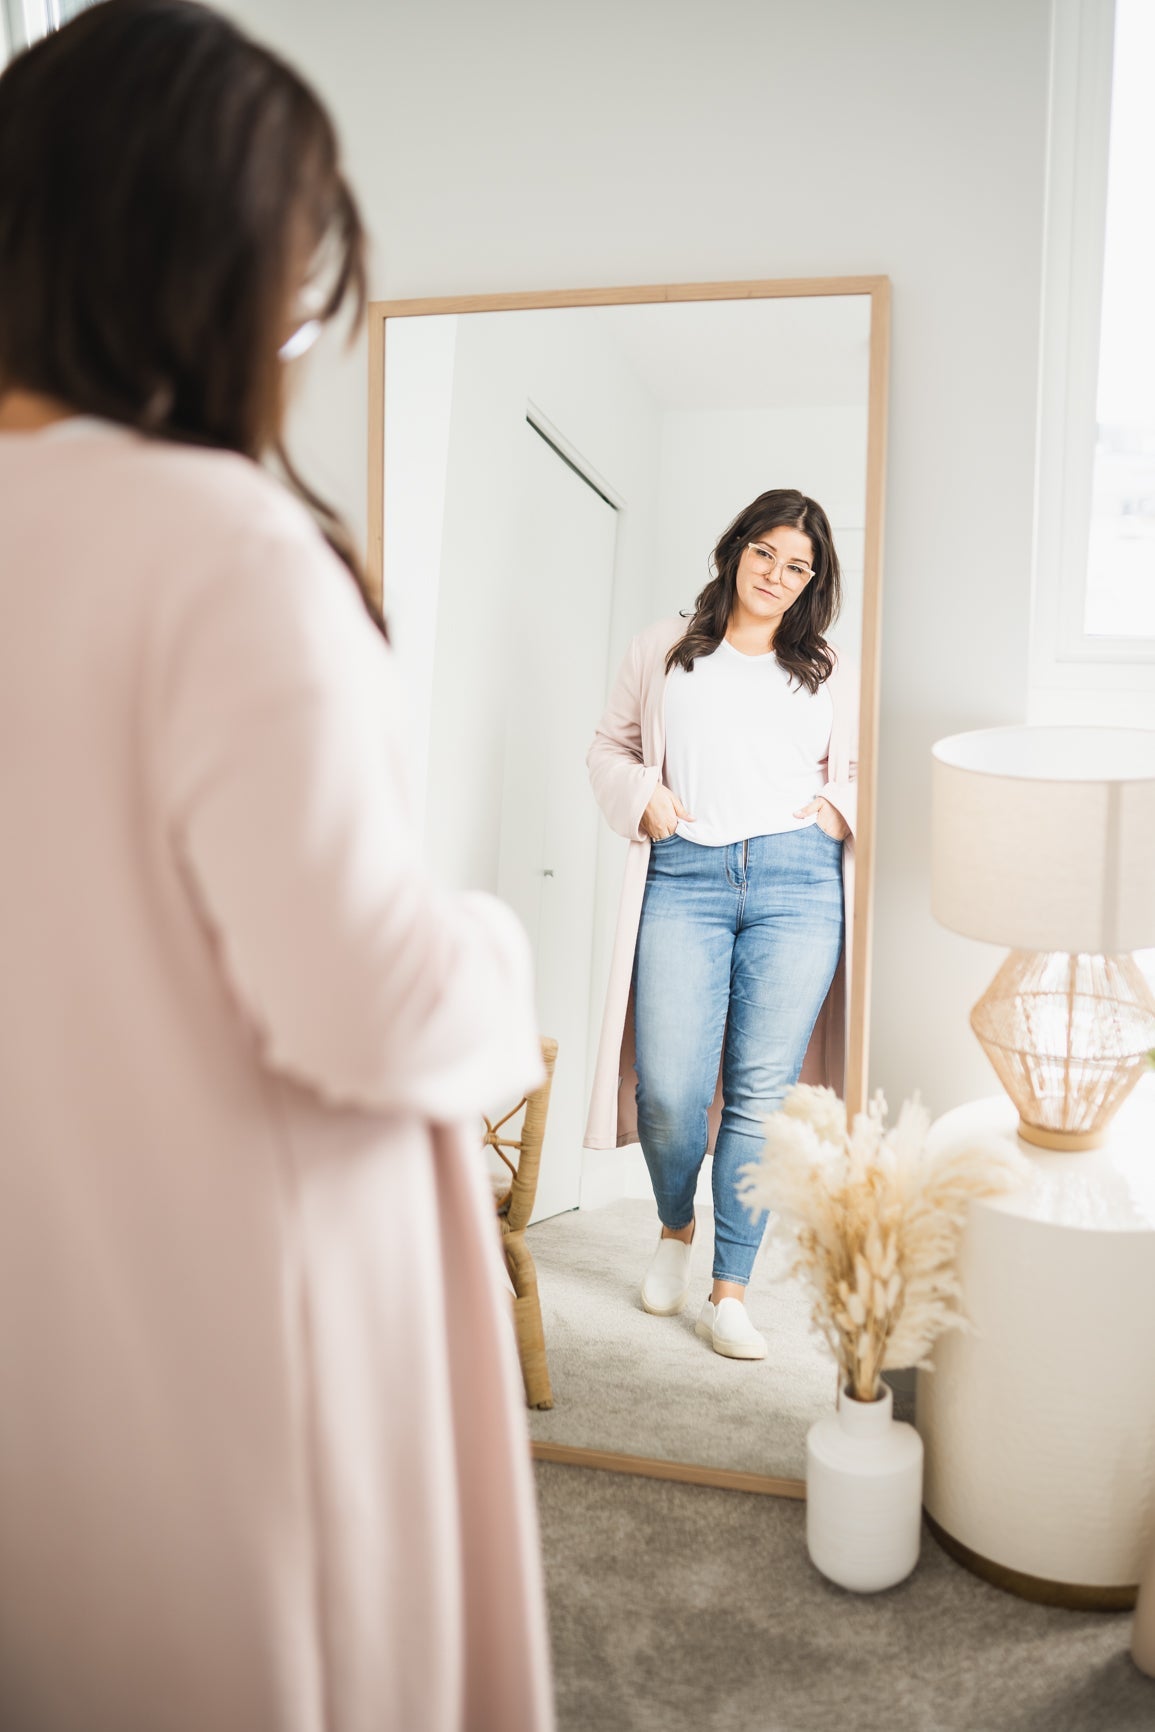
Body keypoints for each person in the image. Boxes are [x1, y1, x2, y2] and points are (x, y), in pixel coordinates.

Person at [0, 5, 553, 1729]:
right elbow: (369, 1002)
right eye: (305, 275)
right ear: (220, 257)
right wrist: (505, 956)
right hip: (256, 1299)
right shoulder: (215, 543)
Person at [584, 490, 857, 1361]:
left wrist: (833, 812)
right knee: (667, 1090)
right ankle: (674, 1226)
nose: (777, 577)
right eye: (766, 555)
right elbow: (608, 747)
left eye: (798, 567)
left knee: (759, 1092)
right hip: (686, 874)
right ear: (735, 550)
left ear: (813, 580)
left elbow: (864, 767)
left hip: (796, 880)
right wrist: (643, 799)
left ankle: (729, 1288)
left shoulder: (828, 666)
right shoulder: (660, 648)